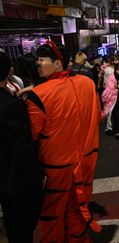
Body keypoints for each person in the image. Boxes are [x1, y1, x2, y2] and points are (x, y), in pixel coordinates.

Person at [26, 41, 101, 242]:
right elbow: (98, 116)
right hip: (87, 158)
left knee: (51, 215)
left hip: (55, 167)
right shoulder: (87, 83)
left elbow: (31, 135)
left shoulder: (37, 95)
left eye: (42, 59)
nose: (38, 63)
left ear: (57, 63)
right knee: (78, 206)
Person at [0, 52, 44, 243]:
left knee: (12, 222)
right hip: (15, 178)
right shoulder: (11, 106)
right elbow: (23, 146)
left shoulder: (9, 99)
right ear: (9, 70)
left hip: (2, 175)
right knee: (22, 226)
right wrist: (38, 175)